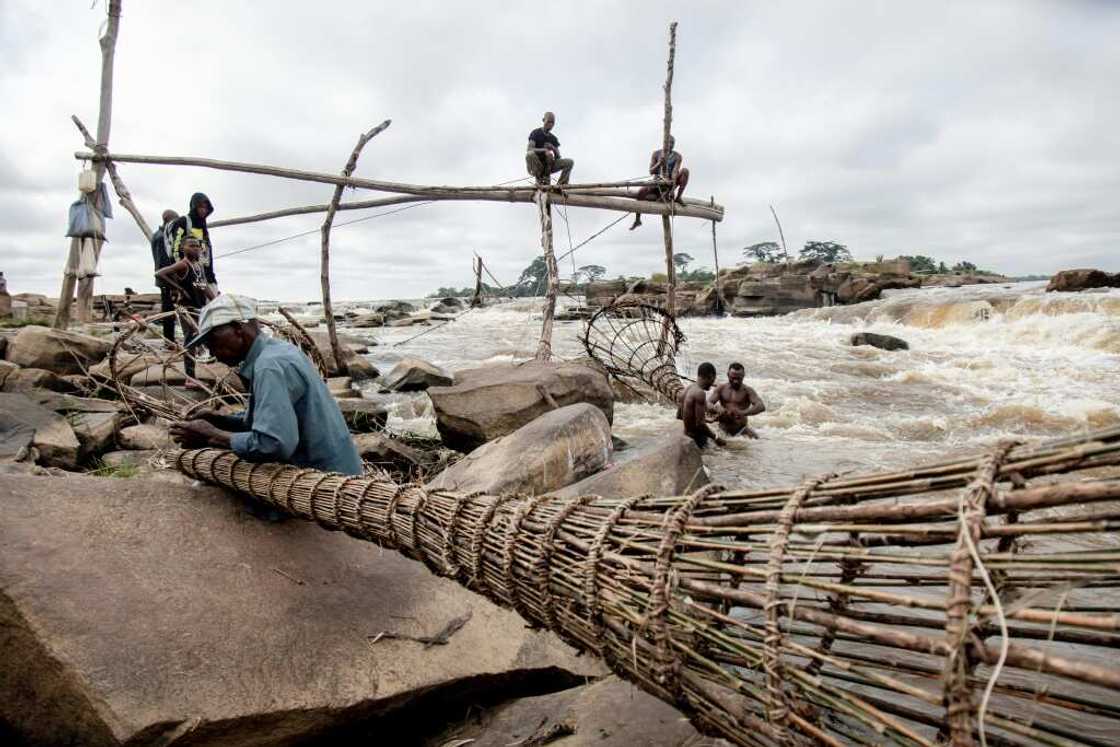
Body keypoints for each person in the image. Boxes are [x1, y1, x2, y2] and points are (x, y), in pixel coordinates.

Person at [169, 294, 363, 476]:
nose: (213, 353)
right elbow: (272, 419)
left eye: (213, 342)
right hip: (340, 468)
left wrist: (212, 436)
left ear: (238, 329)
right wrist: (219, 419)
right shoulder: (278, 351)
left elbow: (274, 443)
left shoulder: (269, 366)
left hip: (327, 480)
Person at [155, 236, 217, 384]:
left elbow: (204, 286)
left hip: (199, 307)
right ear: (183, 248)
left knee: (204, 335)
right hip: (186, 308)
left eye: (197, 246)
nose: (195, 248)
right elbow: (159, 274)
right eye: (191, 246)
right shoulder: (183, 265)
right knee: (190, 340)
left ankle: (203, 364)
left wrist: (216, 300)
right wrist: (179, 288)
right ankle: (189, 378)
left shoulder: (198, 265)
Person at [629, 136, 690, 230]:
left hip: (670, 183)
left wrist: (673, 188)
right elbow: (651, 171)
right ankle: (638, 219)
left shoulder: (677, 156)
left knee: (685, 171)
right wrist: (659, 164)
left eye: (673, 143)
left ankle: (678, 197)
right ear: (664, 143)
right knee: (641, 192)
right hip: (657, 182)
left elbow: (675, 171)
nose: (671, 145)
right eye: (669, 142)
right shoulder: (656, 154)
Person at [165, 192, 217, 291]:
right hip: (189, 275)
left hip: (205, 274)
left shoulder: (203, 226)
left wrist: (210, 274)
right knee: (195, 303)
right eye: (201, 207)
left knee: (210, 302)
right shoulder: (183, 222)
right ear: (194, 206)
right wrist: (183, 272)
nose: (204, 210)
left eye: (206, 208)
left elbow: (207, 252)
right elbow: (176, 248)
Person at [708, 362, 765, 438]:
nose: (736, 381)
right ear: (728, 374)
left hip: (741, 431)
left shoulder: (747, 390)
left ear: (743, 376)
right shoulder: (721, 388)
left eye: (739, 378)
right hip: (722, 430)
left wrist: (743, 412)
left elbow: (761, 406)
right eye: (733, 378)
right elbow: (708, 403)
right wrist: (716, 409)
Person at [678, 361, 725, 448]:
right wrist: (716, 438)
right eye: (713, 380)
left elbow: (679, 416)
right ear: (710, 377)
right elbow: (700, 424)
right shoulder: (700, 393)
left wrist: (707, 419)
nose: (712, 384)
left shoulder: (687, 389)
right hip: (697, 438)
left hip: (687, 434)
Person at [150, 209, 179, 341]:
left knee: (168, 311)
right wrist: (174, 285)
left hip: (164, 279)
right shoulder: (162, 237)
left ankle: (169, 340)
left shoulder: (158, 235)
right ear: (168, 220)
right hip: (167, 280)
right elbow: (164, 262)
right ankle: (169, 341)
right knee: (168, 312)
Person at [525, 111, 574, 186]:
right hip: (537, 165)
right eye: (549, 122)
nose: (550, 125)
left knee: (569, 162)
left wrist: (553, 148)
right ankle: (540, 179)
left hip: (549, 165)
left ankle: (561, 185)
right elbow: (529, 149)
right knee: (530, 154)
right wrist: (544, 150)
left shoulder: (553, 138)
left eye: (552, 123)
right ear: (543, 120)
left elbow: (558, 157)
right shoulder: (536, 133)